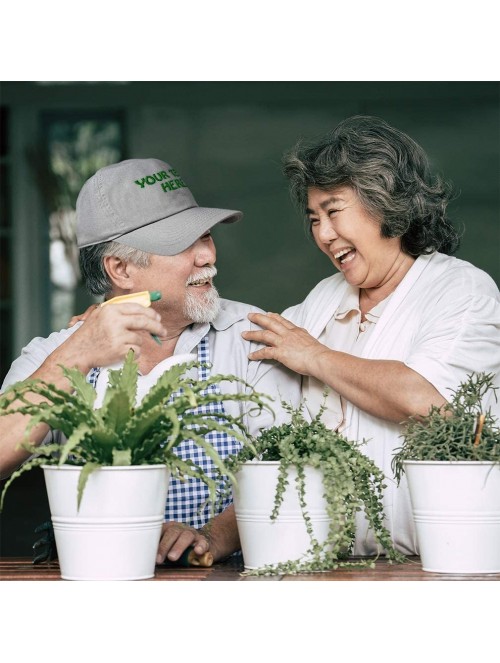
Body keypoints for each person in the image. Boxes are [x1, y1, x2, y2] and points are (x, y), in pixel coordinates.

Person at [0, 157, 301, 565]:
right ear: (120, 269)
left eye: (206, 236)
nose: (207, 257)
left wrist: (212, 536)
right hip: (99, 582)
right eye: (182, 243)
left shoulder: (252, 337)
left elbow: (289, 467)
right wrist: (79, 352)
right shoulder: (55, 355)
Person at [242, 115, 500, 556]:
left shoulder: (461, 291)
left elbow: (430, 401)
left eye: (333, 211)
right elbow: (244, 347)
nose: (322, 235)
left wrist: (315, 357)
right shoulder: (321, 301)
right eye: (313, 218)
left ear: (386, 205)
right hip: (335, 565)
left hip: (439, 563)